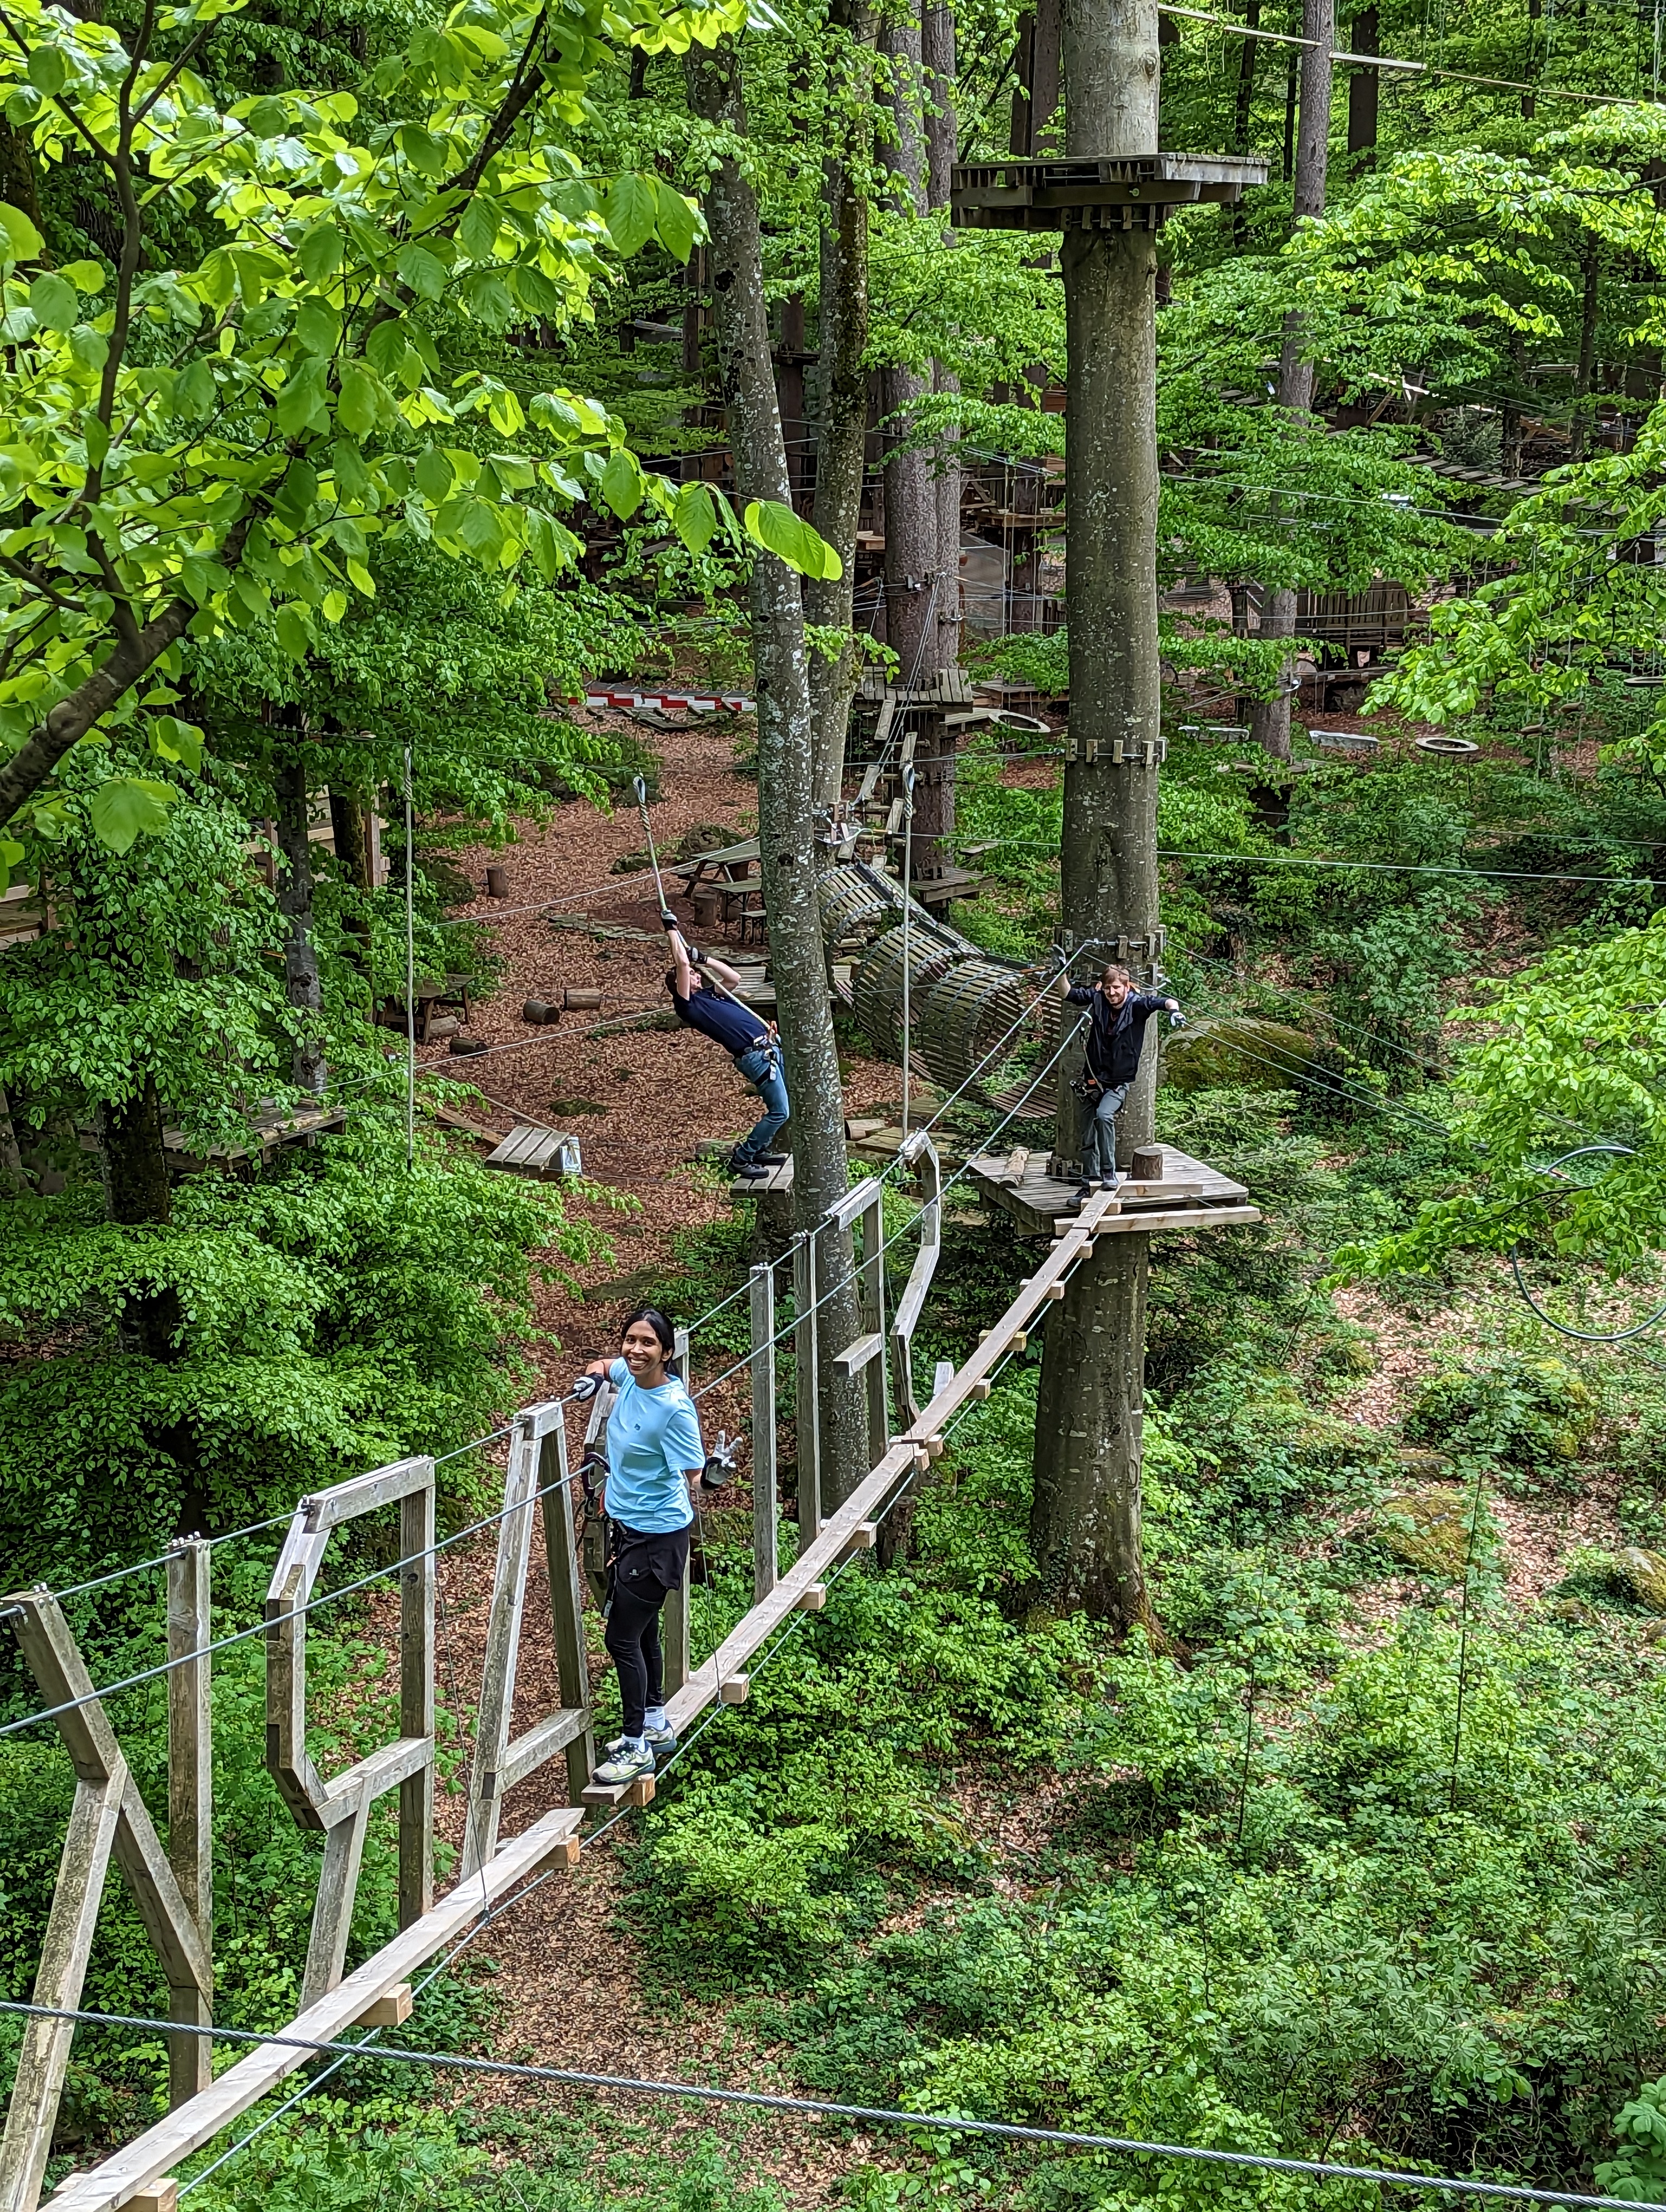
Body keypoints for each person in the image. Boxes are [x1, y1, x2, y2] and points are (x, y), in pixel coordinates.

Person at [580, 1307, 706, 1787]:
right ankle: (654, 1723)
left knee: (620, 1638)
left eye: (648, 1344)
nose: (636, 1350)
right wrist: (592, 1379)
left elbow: (694, 1476)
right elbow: (603, 1365)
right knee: (644, 1631)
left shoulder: (672, 1408)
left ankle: (634, 1746)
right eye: (631, 1340)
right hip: (630, 1528)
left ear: (667, 1353)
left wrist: (712, 1475)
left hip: (659, 1538)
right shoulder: (629, 1379)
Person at [662, 916, 790, 1180]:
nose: (696, 975)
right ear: (679, 985)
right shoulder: (687, 1006)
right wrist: (671, 929)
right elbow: (683, 964)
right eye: (691, 976)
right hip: (757, 1058)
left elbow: (735, 978)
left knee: (781, 1108)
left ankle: (759, 1150)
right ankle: (742, 1158)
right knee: (781, 1112)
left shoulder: (710, 994)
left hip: (770, 1049)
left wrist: (704, 959)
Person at [1055, 961, 1180, 1199]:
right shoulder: (1098, 999)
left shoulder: (1138, 1005)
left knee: (1104, 1116)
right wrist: (1061, 974)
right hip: (1092, 1080)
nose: (1112, 994)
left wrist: (1175, 1011)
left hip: (1116, 1083)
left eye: (1116, 989)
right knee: (1087, 1136)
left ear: (1127, 987)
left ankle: (1108, 1173)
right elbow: (1068, 993)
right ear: (1101, 988)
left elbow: (1165, 1001)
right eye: (1108, 989)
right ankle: (1088, 1184)